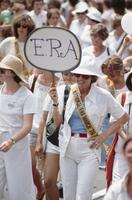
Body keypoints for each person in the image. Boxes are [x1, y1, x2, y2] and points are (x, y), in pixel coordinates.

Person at [48, 56, 128, 200]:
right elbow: (58, 121)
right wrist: (54, 103)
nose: (80, 78)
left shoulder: (103, 95)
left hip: (90, 148)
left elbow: (123, 117)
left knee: (83, 195)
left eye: (84, 75)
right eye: (77, 75)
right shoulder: (65, 91)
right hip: (67, 145)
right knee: (68, 194)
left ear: (92, 77)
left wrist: (104, 136)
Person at [0, 54, 36, 200]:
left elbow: (27, 126)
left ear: (11, 73)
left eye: (2, 70)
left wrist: (11, 141)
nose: (0, 73)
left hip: (16, 144)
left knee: (19, 188)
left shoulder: (27, 96)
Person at [35, 72, 75, 200]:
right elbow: (44, 118)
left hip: (72, 142)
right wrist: (39, 141)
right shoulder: (55, 90)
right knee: (48, 181)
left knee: (70, 185)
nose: (68, 77)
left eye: (72, 75)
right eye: (66, 74)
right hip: (53, 140)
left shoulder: (84, 94)